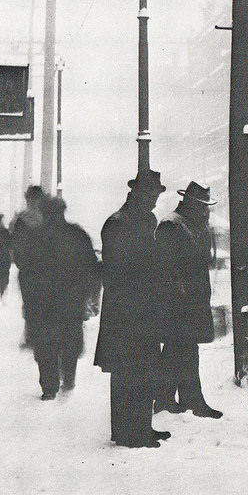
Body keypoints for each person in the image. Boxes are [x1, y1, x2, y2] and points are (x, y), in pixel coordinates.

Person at [95, 170, 169, 448]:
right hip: (125, 310)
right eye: (151, 195)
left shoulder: (146, 220)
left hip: (145, 307)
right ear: (136, 194)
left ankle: (142, 427)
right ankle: (128, 433)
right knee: (127, 371)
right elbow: (117, 271)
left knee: (146, 368)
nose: (154, 200)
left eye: (156, 195)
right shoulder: (118, 223)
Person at [155, 181, 223, 419]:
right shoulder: (171, 225)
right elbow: (165, 268)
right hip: (178, 303)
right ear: (191, 203)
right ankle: (177, 400)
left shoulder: (194, 225)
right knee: (178, 349)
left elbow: (204, 260)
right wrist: (178, 295)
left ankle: (177, 399)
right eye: (203, 206)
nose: (206, 211)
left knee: (183, 349)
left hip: (193, 300)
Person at [27, 198, 100, 399]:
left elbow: (26, 273)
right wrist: (86, 294)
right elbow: (92, 268)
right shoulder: (77, 235)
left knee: (46, 344)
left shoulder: (36, 237)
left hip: (44, 302)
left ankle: (49, 387)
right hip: (71, 301)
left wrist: (29, 301)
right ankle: (67, 377)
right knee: (69, 340)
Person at [11, 186, 49, 345]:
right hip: (44, 269)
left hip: (29, 269)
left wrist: (22, 263)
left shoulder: (21, 220)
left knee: (30, 302)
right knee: (41, 301)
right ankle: (36, 333)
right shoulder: (48, 218)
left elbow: (16, 246)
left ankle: (31, 333)